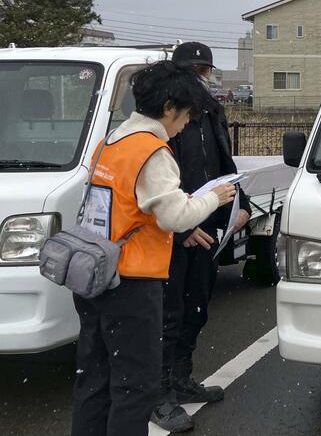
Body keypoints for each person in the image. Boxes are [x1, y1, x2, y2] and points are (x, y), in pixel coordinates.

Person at [71, 61, 236, 436]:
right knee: (135, 387)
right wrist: (214, 197)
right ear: (167, 107)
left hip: (95, 272)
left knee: (95, 380)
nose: (186, 124)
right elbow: (174, 217)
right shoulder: (153, 151)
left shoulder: (111, 141)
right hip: (131, 283)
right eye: (186, 115)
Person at [151, 42, 252, 432]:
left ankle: (181, 380)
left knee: (197, 305)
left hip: (209, 223)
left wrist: (240, 205)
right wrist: (183, 225)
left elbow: (225, 162)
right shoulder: (162, 115)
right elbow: (158, 183)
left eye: (203, 70)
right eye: (189, 71)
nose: (197, 77)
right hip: (173, 230)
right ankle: (159, 396)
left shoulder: (212, 110)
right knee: (167, 314)